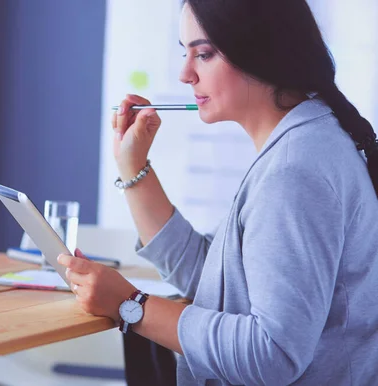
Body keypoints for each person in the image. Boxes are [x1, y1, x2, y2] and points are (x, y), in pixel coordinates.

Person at [57, 1, 378, 385]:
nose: (184, 74)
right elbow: (215, 281)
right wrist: (134, 167)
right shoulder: (307, 144)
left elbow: (271, 355)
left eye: (204, 54)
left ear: (261, 52)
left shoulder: (293, 172)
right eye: (184, 52)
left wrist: (131, 305)